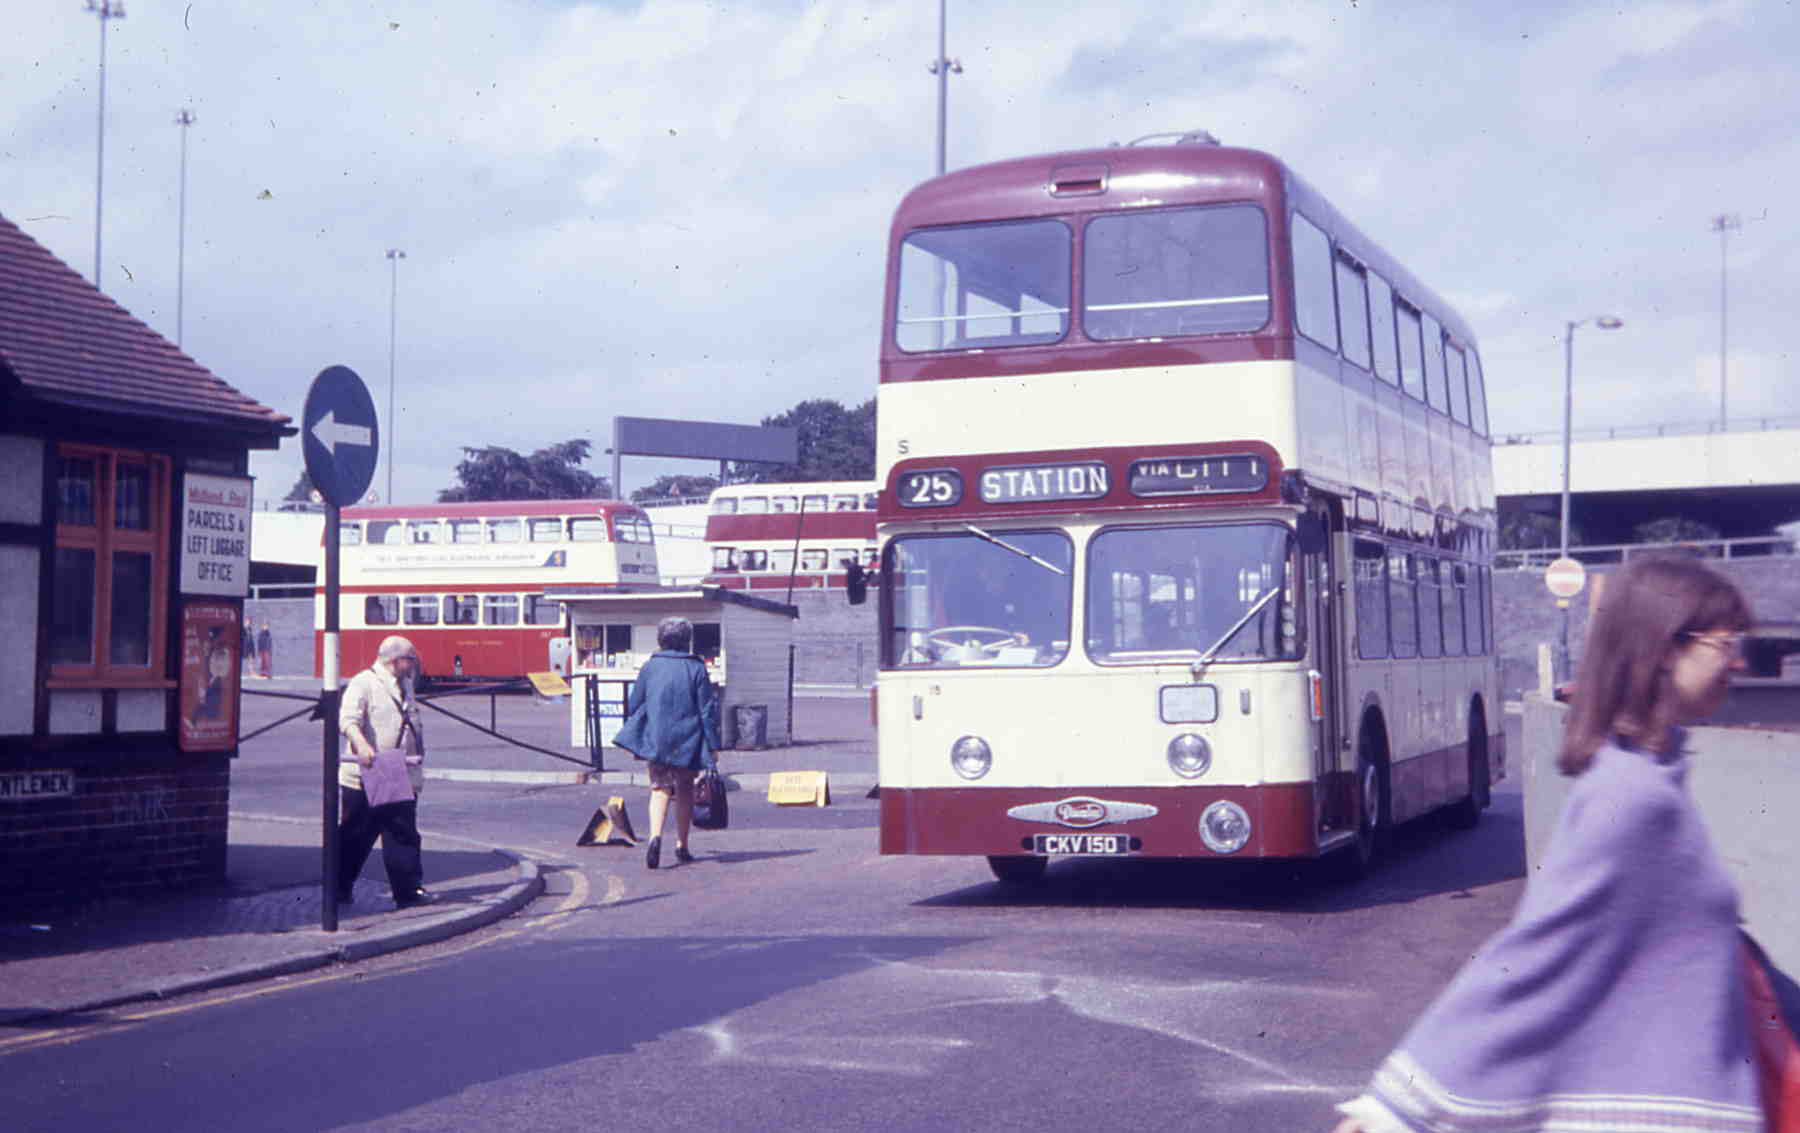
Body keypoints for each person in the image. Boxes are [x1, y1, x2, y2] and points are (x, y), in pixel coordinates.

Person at [1333, 555, 1764, 1132]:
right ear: (1665, 647)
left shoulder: (1654, 778)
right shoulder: (1632, 798)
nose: (1738, 660)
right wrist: (1397, 1107)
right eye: (1725, 642)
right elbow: (1533, 955)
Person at [614, 616, 720, 870]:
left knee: (659, 788)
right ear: (687, 641)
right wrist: (714, 746)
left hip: (657, 739)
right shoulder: (696, 668)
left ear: (661, 640)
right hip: (688, 739)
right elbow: (707, 711)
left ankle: (654, 838)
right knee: (684, 790)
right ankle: (682, 846)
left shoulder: (650, 667)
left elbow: (634, 703)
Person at [336, 635, 433, 909]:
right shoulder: (363, 683)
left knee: (402, 834)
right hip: (365, 774)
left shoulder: (407, 685)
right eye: (410, 660)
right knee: (356, 835)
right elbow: (347, 720)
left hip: (397, 771)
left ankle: (408, 893)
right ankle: (339, 889)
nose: (414, 665)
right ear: (395, 661)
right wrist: (362, 745)